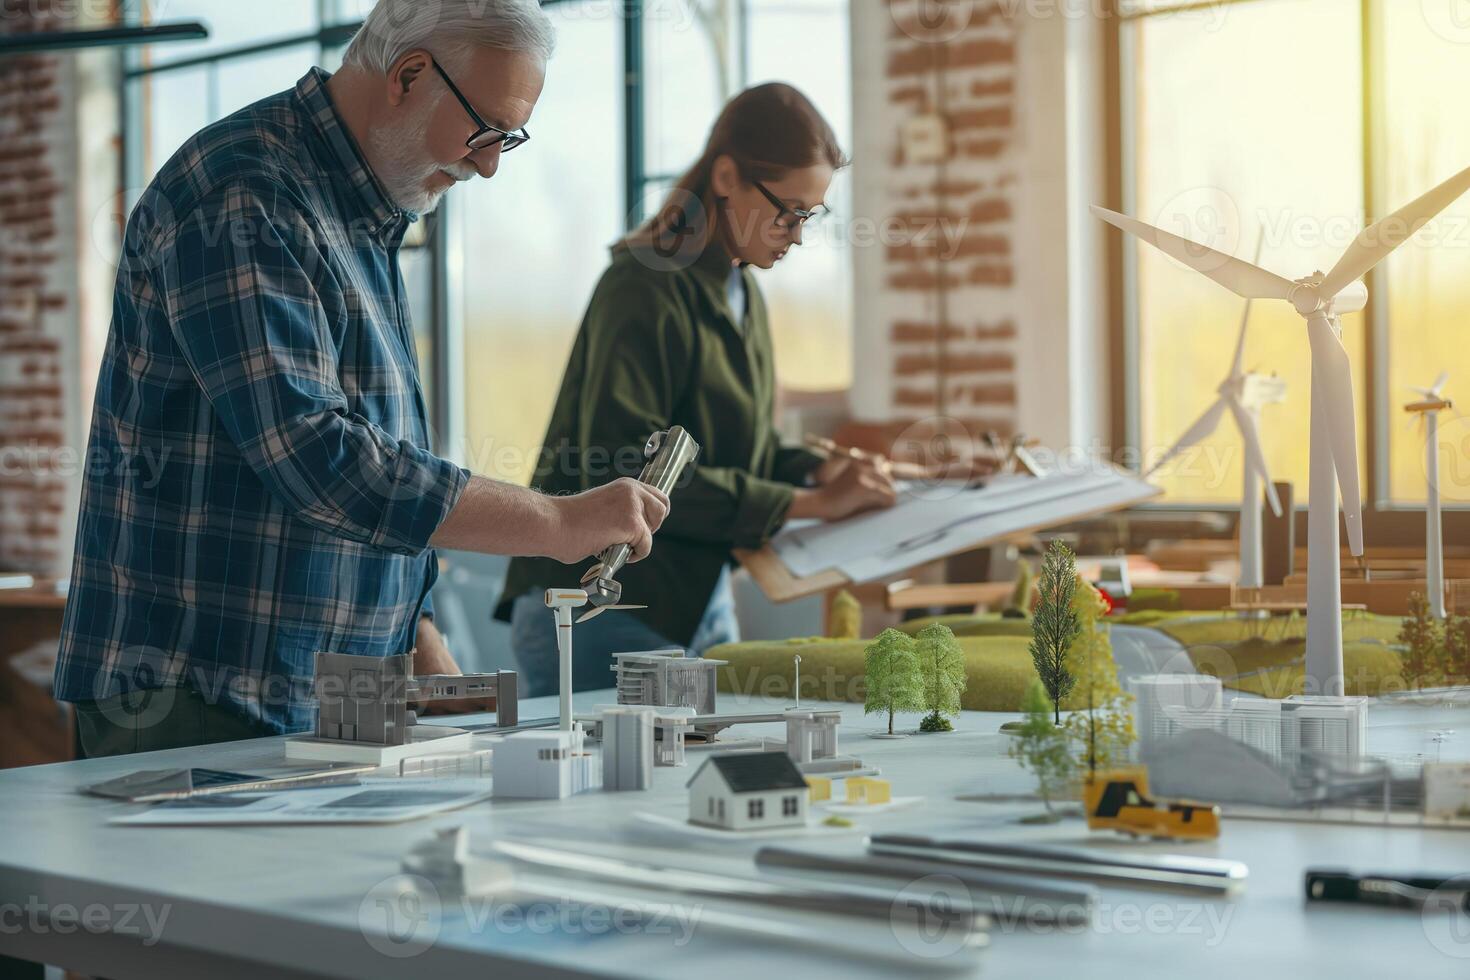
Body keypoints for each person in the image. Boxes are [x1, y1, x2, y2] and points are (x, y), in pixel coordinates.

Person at [53, 0, 669, 759]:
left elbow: (374, 455)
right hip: (207, 691)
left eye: (509, 138)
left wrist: (418, 631)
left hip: (336, 691)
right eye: (485, 129)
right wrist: (558, 522)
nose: (488, 162)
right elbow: (317, 455)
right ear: (409, 75)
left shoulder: (364, 208)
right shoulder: (246, 193)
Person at [498, 83, 897, 697]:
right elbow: (630, 467)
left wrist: (828, 473)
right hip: (609, 608)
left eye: (810, 216)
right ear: (727, 175)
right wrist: (817, 505)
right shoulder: (644, 286)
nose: (796, 234)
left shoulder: (742, 291)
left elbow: (747, 450)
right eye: (788, 211)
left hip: (696, 603)